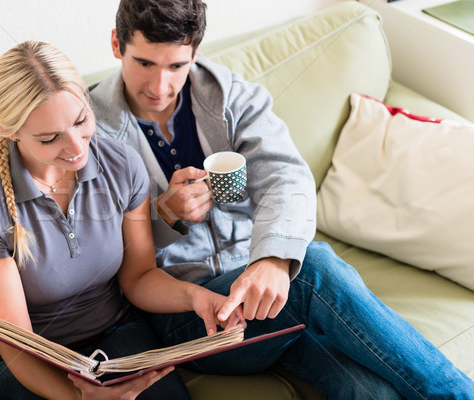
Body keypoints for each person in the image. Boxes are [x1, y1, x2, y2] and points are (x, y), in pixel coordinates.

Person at [89, 0, 474, 398]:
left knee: (371, 391)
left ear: (195, 53)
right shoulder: (89, 131)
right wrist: (162, 215)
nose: (160, 87)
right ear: (117, 44)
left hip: (269, 300)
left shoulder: (231, 96)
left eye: (176, 66)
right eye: (145, 64)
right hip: (193, 318)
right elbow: (96, 246)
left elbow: (286, 177)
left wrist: (272, 259)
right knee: (314, 268)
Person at [0, 40, 244, 400]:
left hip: (114, 334)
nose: (77, 148)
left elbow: (138, 277)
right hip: (22, 358)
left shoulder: (122, 164)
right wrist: (80, 398)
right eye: (49, 138)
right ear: (9, 131)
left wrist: (198, 298)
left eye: (80, 121)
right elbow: (17, 346)